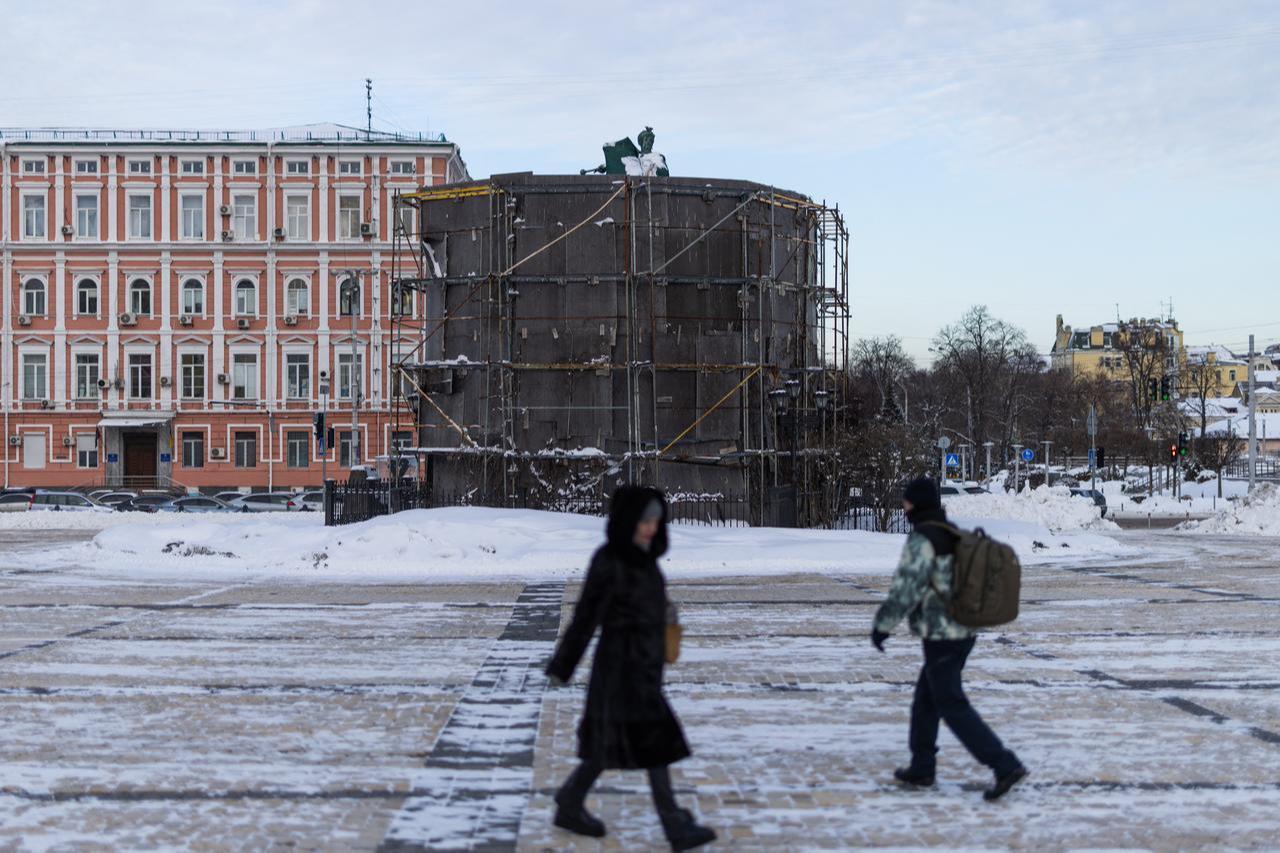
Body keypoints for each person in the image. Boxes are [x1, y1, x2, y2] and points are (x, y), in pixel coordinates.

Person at [545, 485, 716, 850]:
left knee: (607, 746)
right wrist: (563, 665)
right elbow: (586, 616)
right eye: (645, 520)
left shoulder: (644, 558)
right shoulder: (610, 560)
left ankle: (570, 802)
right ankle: (674, 827)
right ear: (629, 520)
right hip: (622, 671)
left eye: (656, 520)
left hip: (643, 669)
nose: (651, 528)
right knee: (658, 744)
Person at [871, 476, 1028, 801]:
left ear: (915, 504)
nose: (904, 506)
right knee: (926, 699)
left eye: (907, 501)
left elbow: (906, 588)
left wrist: (883, 625)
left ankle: (1004, 764)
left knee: (950, 703)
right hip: (963, 631)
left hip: (943, 634)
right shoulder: (950, 532)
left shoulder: (923, 539)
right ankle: (922, 765)